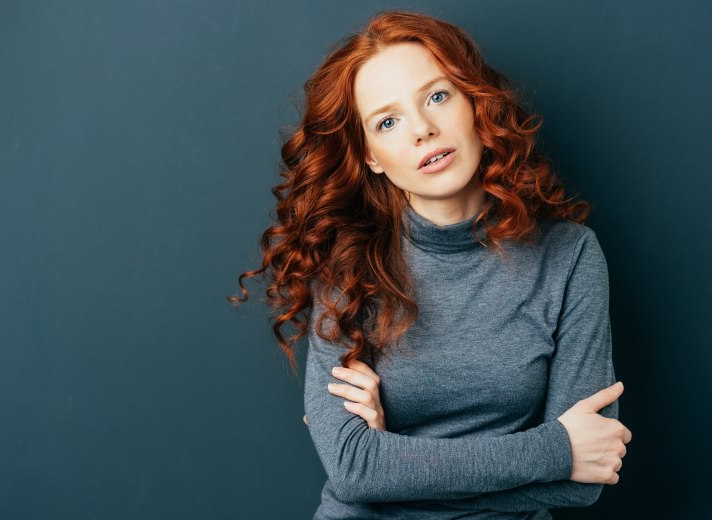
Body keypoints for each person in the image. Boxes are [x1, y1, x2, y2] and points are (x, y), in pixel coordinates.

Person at [228, 9, 632, 519]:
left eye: (438, 96)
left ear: (475, 104)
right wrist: (554, 452)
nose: (422, 129)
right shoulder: (347, 265)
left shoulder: (569, 258)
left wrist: (392, 464)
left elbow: (583, 482)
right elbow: (353, 469)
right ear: (371, 155)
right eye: (387, 121)